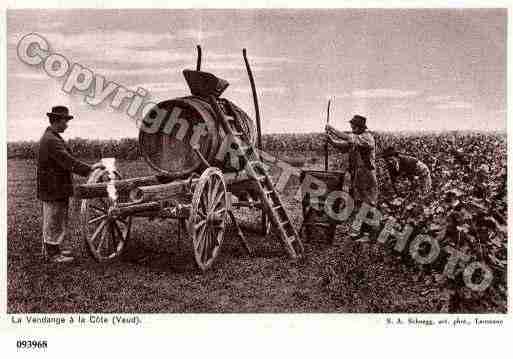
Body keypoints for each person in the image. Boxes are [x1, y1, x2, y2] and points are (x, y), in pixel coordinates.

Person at [38, 106, 104, 263]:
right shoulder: (51, 140)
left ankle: (53, 250)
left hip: (55, 186)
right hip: (53, 187)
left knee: (56, 218)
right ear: (57, 121)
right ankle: (52, 254)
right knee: (54, 218)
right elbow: (68, 161)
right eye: (65, 121)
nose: (67, 124)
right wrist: (90, 168)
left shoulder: (52, 137)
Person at [326, 115, 378, 240]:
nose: (351, 128)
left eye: (353, 126)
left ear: (359, 127)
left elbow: (350, 138)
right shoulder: (356, 138)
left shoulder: (366, 138)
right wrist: (330, 140)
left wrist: (332, 129)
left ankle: (372, 233)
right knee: (361, 203)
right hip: (358, 176)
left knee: (369, 203)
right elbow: (343, 146)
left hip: (367, 175)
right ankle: (364, 232)